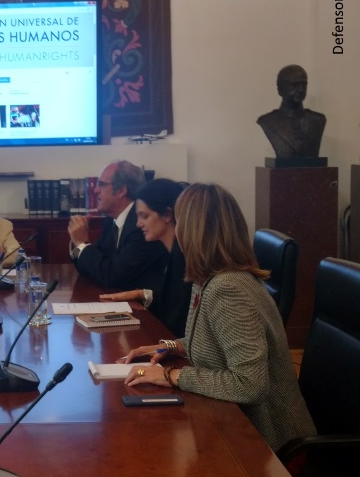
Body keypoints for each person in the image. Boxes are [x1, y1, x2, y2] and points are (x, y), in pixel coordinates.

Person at [120, 183, 316, 452]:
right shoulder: (208, 279)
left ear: (192, 230)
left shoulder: (228, 288)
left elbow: (250, 385)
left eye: (179, 222)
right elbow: (217, 341)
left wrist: (170, 375)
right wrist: (171, 346)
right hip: (233, 424)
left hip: (268, 443)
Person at [99, 178, 192, 337]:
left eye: (144, 216)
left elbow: (179, 316)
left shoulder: (184, 259)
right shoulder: (171, 253)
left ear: (167, 215)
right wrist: (142, 294)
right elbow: (175, 299)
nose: (138, 224)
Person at [68, 160, 166, 288]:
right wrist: (78, 243)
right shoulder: (111, 220)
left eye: (101, 185)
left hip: (143, 305)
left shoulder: (141, 225)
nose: (96, 190)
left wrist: (82, 244)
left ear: (121, 191)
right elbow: (92, 266)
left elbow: (112, 277)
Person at [256, 64, 326, 158]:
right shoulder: (268, 121)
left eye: (304, 85)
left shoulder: (317, 121)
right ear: (280, 89)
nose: (301, 90)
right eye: (294, 85)